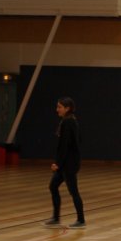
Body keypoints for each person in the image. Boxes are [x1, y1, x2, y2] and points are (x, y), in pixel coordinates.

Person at [44, 97, 86, 229]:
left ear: (67, 108)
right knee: (53, 186)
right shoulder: (71, 120)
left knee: (73, 191)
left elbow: (64, 145)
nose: (57, 110)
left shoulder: (68, 122)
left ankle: (81, 220)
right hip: (67, 162)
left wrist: (57, 163)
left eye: (59, 107)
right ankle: (56, 218)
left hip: (69, 164)